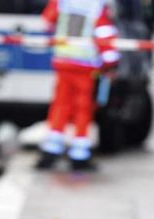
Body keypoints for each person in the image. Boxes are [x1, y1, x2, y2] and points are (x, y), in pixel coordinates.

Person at [36, 0, 121, 172]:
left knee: (60, 107)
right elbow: (104, 34)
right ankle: (79, 154)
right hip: (85, 65)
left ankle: (51, 150)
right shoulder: (96, 5)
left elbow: (46, 22)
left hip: (63, 62)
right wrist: (111, 63)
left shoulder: (61, 2)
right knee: (83, 109)